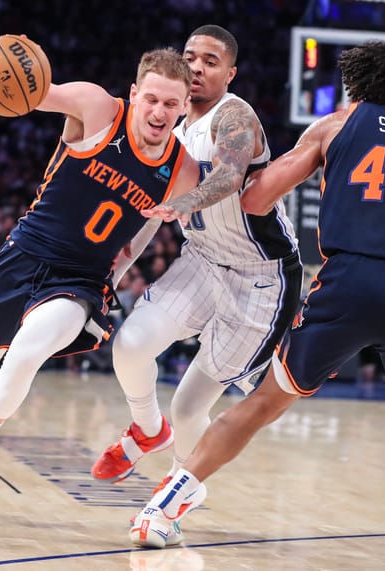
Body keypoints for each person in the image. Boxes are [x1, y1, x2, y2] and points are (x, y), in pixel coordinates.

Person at [131, 38, 385, 565]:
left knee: (263, 403)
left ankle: (163, 507)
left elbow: (256, 198)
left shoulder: (335, 126)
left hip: (347, 283)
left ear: (357, 86)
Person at [0, 46, 208, 518]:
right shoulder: (97, 108)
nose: (159, 112)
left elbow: (161, 221)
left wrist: (118, 274)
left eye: (172, 105)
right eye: (151, 99)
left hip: (80, 280)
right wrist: (15, 78)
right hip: (24, 254)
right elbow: (36, 93)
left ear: (184, 107)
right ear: (134, 93)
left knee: (27, 352)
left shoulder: (183, 169)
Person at [91, 24, 303, 520]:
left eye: (210, 61)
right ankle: (146, 428)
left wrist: (184, 200)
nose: (196, 68)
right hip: (203, 261)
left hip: (260, 278)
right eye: (190, 57)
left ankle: (180, 491)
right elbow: (153, 210)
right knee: (130, 344)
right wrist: (121, 266)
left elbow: (229, 176)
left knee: (190, 408)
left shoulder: (235, 116)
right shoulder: (170, 123)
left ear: (229, 73)